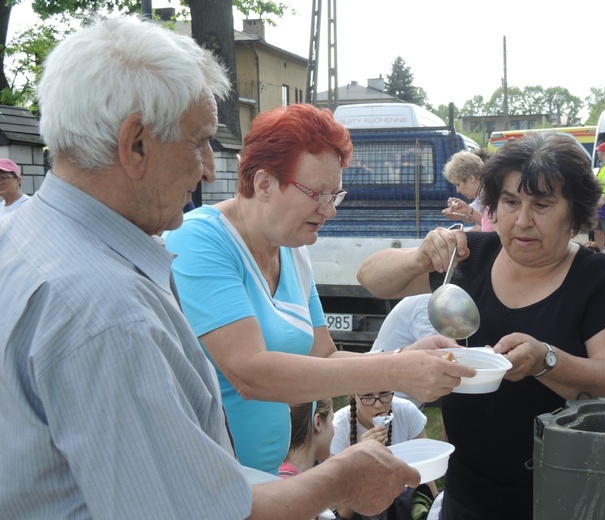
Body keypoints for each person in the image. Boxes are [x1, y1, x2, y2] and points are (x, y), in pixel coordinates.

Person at [0, 16, 430, 519]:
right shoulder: (109, 309)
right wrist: (339, 477)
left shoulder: (27, 235)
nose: (209, 167)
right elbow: (187, 508)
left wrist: (405, 362)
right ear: (136, 143)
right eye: (199, 140)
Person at [164, 103, 473, 474]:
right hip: (208, 480)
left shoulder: (292, 250)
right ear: (263, 184)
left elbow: (323, 357)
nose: (330, 211)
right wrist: (394, 371)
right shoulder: (200, 239)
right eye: (318, 193)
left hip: (268, 480)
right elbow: (249, 374)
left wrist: (407, 355)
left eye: (335, 195)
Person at [356, 132, 605, 520]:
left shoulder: (600, 280)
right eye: (510, 202)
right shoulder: (470, 257)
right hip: (467, 488)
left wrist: (546, 360)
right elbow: (370, 277)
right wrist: (419, 258)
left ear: (574, 212)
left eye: (542, 204)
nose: (523, 220)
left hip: (564, 492)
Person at [331, 391, 436, 519]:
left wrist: (436, 507)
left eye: (384, 394)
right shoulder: (338, 428)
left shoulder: (407, 411)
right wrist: (361, 459)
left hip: (403, 507)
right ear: (354, 394)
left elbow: (425, 474)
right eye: (368, 396)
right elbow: (343, 511)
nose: (378, 405)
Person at [370, 294, 438, 408]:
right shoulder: (429, 306)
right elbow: (441, 361)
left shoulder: (423, 300)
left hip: (389, 396)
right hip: (387, 401)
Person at [279, 399, 334, 479]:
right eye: (331, 420)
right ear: (318, 422)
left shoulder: (286, 474)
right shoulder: (288, 481)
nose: (334, 430)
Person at [441, 150, 494, 232]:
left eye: (458, 185)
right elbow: (475, 214)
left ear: (471, 178)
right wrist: (459, 213)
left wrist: (468, 211)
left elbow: (492, 226)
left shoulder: (494, 193)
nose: (458, 190)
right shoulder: (482, 195)